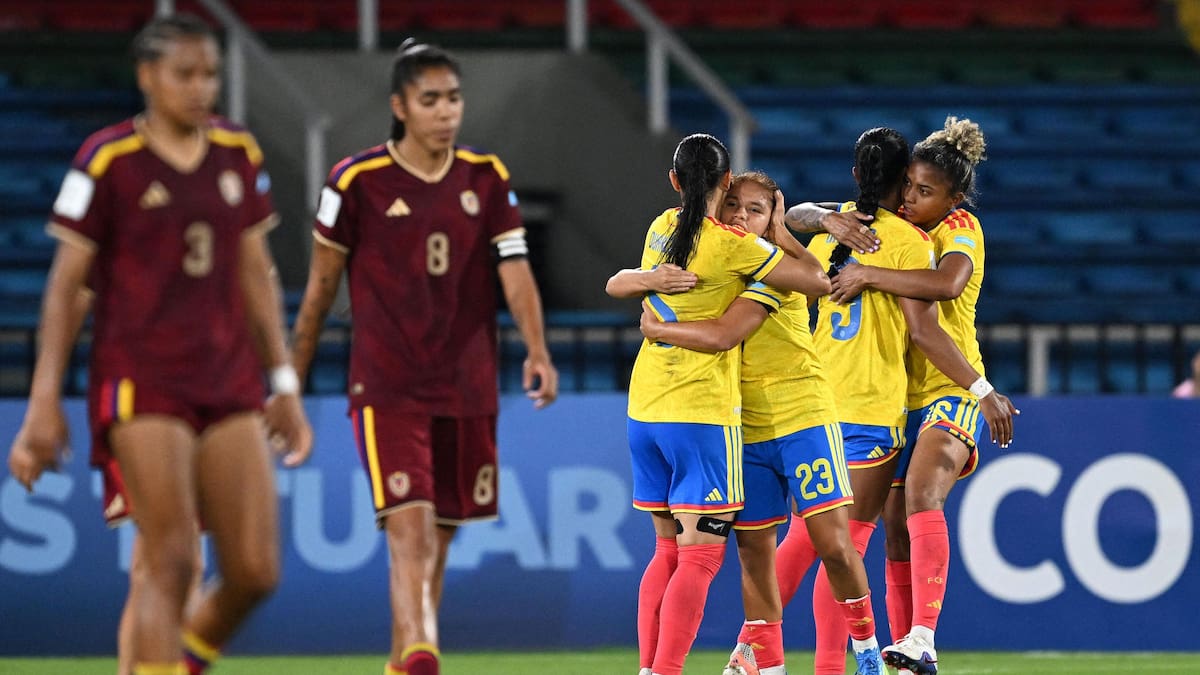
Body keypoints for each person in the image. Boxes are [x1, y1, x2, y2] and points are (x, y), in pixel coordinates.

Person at [5, 14, 311, 675]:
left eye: (210, 75)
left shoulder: (238, 153)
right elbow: (66, 287)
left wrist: (282, 381)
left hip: (228, 379)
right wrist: (43, 401)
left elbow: (255, 271)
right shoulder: (107, 159)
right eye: (185, 74)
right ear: (147, 77)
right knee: (169, 558)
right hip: (142, 378)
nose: (201, 88)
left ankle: (178, 662)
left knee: (255, 570)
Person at [287, 39, 558, 675]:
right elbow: (321, 287)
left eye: (454, 98)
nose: (446, 112)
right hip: (387, 384)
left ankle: (404, 656)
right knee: (406, 527)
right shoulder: (355, 182)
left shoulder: (485, 177)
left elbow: (513, 269)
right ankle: (423, 648)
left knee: (441, 534)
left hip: (467, 382)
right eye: (430, 100)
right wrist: (289, 378)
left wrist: (537, 348)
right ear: (400, 106)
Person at [633, 171, 892, 675]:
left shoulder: (777, 267)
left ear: (772, 214)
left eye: (754, 208)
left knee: (833, 544)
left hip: (802, 415)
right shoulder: (727, 259)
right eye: (733, 205)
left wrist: (656, 325)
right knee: (755, 550)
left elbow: (733, 327)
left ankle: (865, 649)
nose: (740, 216)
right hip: (742, 425)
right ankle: (767, 659)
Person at [780, 126, 1015, 675]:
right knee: (887, 539)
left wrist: (866, 274)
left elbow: (949, 285)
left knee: (921, 497)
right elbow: (793, 215)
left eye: (925, 191)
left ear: (953, 199)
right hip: (896, 398)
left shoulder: (959, 227)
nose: (911, 197)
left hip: (951, 385)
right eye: (908, 185)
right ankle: (894, 661)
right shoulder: (890, 225)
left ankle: (923, 638)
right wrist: (828, 218)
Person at [606, 134, 832, 675]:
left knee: (665, 551)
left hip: (645, 408)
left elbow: (618, 283)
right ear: (727, 184)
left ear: (674, 182)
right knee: (701, 557)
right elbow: (817, 282)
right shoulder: (734, 246)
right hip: (701, 414)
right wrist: (778, 233)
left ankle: (646, 668)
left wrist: (650, 296)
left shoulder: (661, 227)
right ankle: (665, 672)